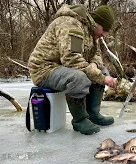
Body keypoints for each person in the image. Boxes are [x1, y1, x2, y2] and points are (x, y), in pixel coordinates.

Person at [28, 4, 117, 135]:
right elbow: (71, 60)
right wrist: (102, 79)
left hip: (63, 68)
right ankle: (80, 120)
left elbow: (96, 55)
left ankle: (93, 114)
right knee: (78, 78)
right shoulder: (71, 24)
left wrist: (94, 67)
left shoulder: (92, 32)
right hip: (44, 69)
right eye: (104, 30)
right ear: (96, 23)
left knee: (102, 71)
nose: (104, 34)